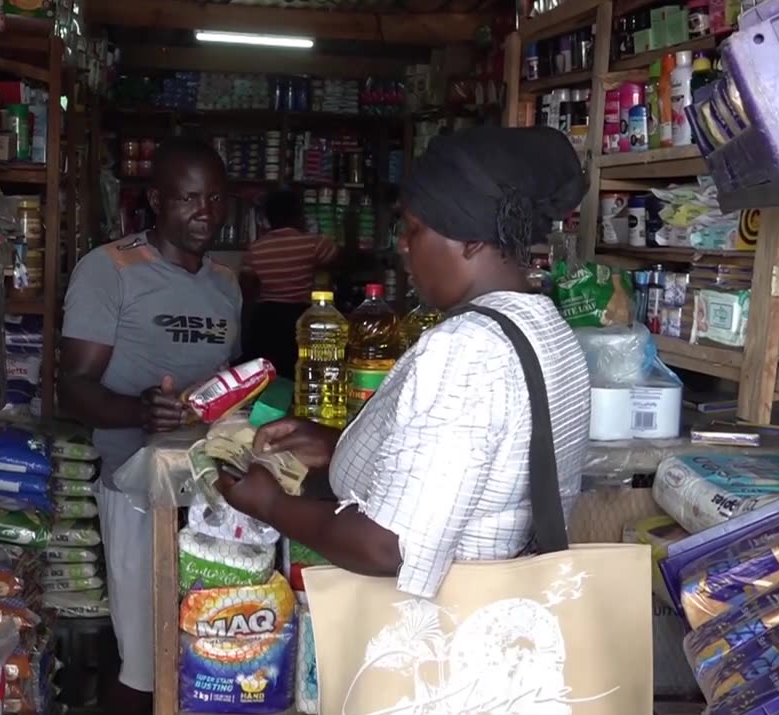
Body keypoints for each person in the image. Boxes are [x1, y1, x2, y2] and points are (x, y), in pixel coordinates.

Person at [215, 126, 590, 598]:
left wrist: (269, 504)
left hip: (447, 634)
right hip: (514, 609)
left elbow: (389, 546)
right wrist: (341, 445)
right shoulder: (546, 328)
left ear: (469, 238)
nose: (403, 247)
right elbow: (479, 463)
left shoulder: (465, 348)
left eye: (414, 229)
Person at [58, 137, 241, 715]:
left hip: (214, 490)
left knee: (211, 649)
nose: (204, 212)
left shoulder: (227, 283)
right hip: (135, 486)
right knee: (142, 658)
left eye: (214, 198)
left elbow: (222, 384)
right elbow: (74, 388)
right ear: (157, 202)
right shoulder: (109, 269)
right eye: (189, 198)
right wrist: (141, 412)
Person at [239, 189, 339, 378]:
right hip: (301, 316)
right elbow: (339, 258)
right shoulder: (312, 244)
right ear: (298, 215)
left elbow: (247, 289)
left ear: (268, 218)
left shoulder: (256, 249)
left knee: (267, 374)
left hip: (266, 318)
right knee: (299, 371)